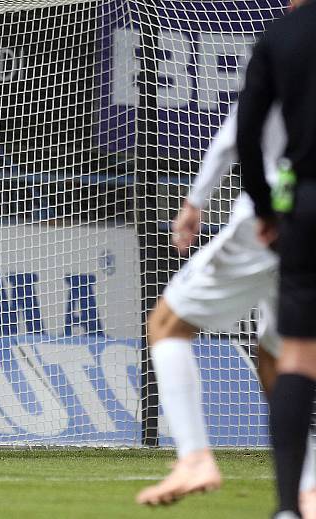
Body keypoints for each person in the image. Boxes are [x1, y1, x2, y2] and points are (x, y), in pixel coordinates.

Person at [136, 101, 316, 512]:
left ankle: (195, 458)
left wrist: (195, 201)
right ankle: (308, 489)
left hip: (268, 219)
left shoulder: (285, 46)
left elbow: (235, 134)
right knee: (281, 356)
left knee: (166, 325)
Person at [237, 1, 316, 516]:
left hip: (308, 207)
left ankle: (289, 507)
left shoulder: (282, 34)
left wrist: (265, 210)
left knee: (298, 357)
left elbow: (246, 134)